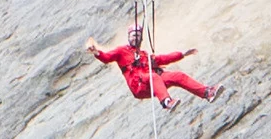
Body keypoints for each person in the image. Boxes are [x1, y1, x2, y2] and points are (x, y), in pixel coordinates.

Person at [87, 30, 222, 111]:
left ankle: (207, 93)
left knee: (178, 76)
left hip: (151, 84)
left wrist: (182, 54)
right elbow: (107, 57)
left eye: (138, 35)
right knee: (153, 76)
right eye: (133, 35)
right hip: (138, 85)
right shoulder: (121, 51)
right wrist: (96, 52)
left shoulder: (144, 55)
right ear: (129, 37)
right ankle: (166, 102)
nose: (136, 37)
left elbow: (163, 59)